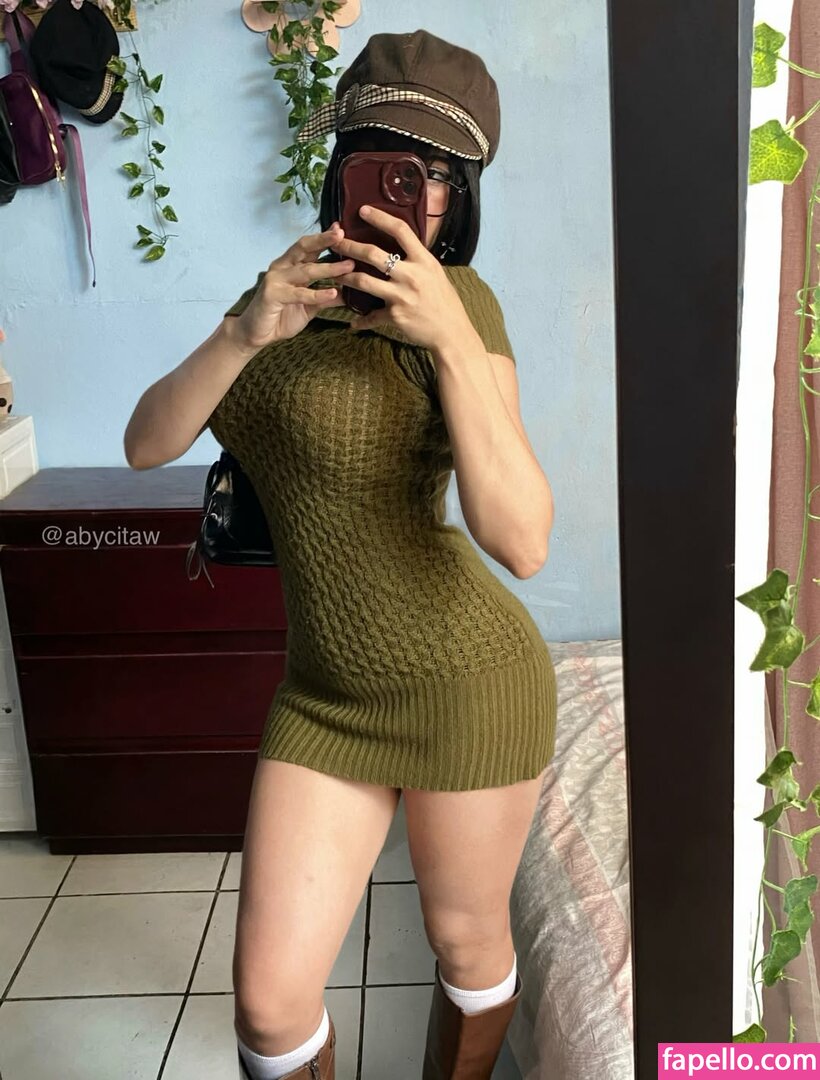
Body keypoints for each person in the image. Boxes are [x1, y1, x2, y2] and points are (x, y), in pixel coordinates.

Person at [124, 28, 557, 1080]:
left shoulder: (463, 308)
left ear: (460, 198)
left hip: (466, 683)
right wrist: (244, 329)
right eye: (385, 163)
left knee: (466, 942)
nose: (412, 197)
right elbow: (146, 444)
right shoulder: (277, 295)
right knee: (269, 1005)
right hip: (324, 696)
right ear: (343, 170)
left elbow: (523, 540)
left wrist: (447, 338)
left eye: (436, 176)